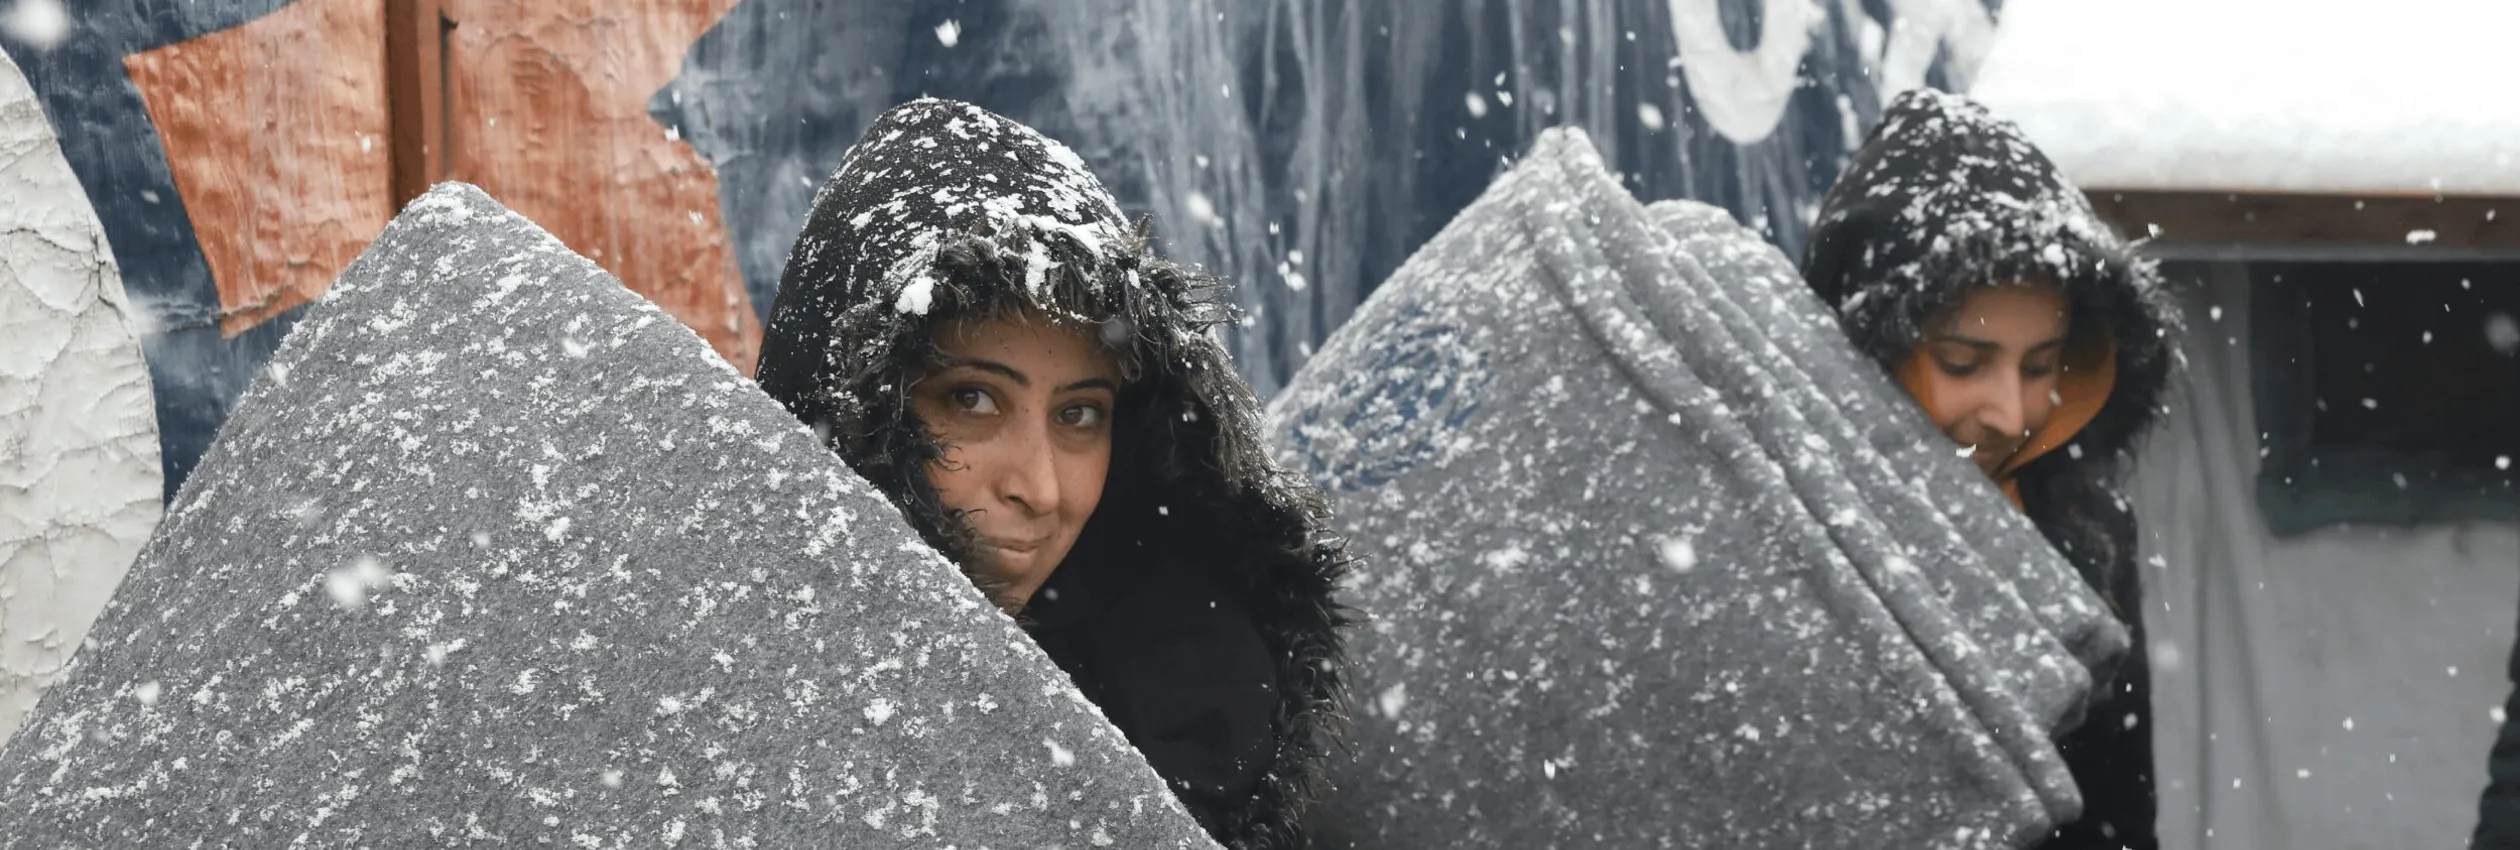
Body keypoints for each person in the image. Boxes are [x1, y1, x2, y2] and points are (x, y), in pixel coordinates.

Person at [753, 99, 1349, 850]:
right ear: (843, 411)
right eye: (971, 399)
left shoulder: (1198, 752)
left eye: (1079, 416)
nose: (1039, 488)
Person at [1801, 89, 2180, 850]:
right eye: (1963, 361)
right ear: (1861, 354)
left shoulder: (2089, 537)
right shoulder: (1785, 527)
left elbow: (2116, 819)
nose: (2011, 412)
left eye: (2042, 366)